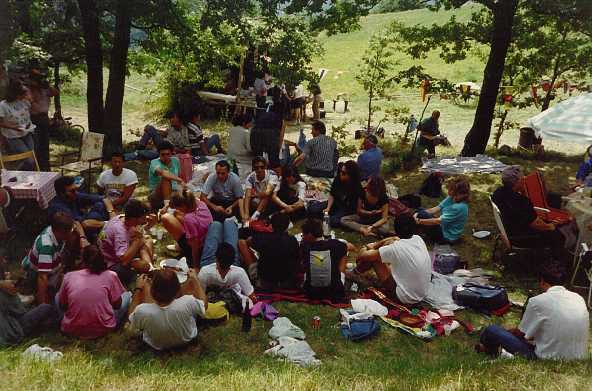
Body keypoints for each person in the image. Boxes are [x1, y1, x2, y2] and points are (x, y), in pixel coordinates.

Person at [477, 262, 589, 360]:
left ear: (542, 281)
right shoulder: (578, 298)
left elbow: (522, 334)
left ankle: (487, 349)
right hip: (578, 356)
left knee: (492, 330)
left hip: (547, 358)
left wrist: (506, 333)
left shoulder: (537, 301)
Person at [352, 214, 431, 304]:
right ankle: (356, 272)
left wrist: (368, 247)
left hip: (405, 297)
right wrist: (381, 243)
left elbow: (363, 256)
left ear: (395, 229)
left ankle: (355, 274)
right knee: (382, 251)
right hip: (421, 294)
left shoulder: (395, 248)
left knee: (374, 258)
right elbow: (394, 239)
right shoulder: (418, 239)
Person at [56, 245, 131, 339]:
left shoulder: (69, 276)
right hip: (104, 329)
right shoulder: (111, 276)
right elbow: (117, 305)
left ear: (82, 259)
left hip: (71, 330)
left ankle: (66, 321)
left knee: (57, 296)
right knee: (127, 295)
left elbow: (62, 305)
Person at [492, 166, 566, 261]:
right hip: (520, 237)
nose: (524, 181)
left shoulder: (498, 193)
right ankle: (555, 262)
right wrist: (551, 226)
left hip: (508, 228)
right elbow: (536, 224)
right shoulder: (521, 201)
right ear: (517, 182)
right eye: (523, 179)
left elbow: (522, 214)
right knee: (558, 235)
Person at [128, 268, 208, 351]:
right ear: (178, 290)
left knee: (145, 286)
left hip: (156, 345)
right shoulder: (188, 301)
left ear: (152, 291)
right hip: (187, 340)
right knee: (190, 283)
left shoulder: (142, 310)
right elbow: (204, 305)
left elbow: (131, 317)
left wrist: (138, 288)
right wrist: (195, 280)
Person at [21, 212, 84, 304]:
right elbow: (42, 277)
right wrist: (42, 305)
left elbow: (77, 224)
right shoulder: (46, 247)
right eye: (68, 232)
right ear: (60, 232)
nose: (70, 233)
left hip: (54, 264)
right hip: (37, 273)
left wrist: (82, 238)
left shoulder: (55, 229)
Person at [98, 199, 155, 285]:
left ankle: (151, 270)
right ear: (134, 218)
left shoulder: (123, 218)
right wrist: (138, 241)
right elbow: (124, 260)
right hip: (112, 262)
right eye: (143, 217)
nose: (145, 220)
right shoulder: (120, 232)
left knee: (148, 240)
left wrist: (149, 226)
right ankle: (148, 270)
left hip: (119, 250)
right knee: (143, 265)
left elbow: (136, 232)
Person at [239, 212, 300, 288]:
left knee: (241, 242)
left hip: (265, 281)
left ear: (271, 225)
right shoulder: (292, 240)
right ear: (287, 226)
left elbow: (247, 241)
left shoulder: (263, 238)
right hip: (287, 281)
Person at [48, 176, 116, 237]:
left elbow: (104, 199)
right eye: (72, 191)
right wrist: (108, 223)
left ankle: (107, 230)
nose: (76, 192)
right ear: (61, 193)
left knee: (100, 205)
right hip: (75, 231)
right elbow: (84, 224)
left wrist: (112, 213)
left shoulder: (74, 195)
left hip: (84, 220)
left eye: (76, 189)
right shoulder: (57, 207)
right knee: (95, 216)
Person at [299, 218, 348, 302]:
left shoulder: (304, 247)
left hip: (311, 292)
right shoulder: (336, 245)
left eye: (303, 234)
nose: (302, 236)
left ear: (310, 235)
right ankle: (340, 276)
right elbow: (345, 247)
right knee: (343, 254)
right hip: (334, 291)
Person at [161, 189, 213, 268]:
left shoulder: (189, 219)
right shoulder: (200, 203)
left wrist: (195, 265)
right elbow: (176, 204)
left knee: (166, 218)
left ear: (183, 206)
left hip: (199, 248)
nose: (177, 209)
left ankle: (185, 251)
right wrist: (166, 206)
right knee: (176, 213)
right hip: (206, 239)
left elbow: (195, 244)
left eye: (178, 207)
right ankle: (181, 246)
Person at [415, 176, 470, 244]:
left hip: (447, 237)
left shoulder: (459, 207)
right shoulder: (451, 198)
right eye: (450, 189)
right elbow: (435, 209)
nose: (449, 192)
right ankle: (417, 231)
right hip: (442, 226)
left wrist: (419, 221)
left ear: (461, 194)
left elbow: (437, 221)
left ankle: (416, 233)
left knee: (422, 215)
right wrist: (417, 214)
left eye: (452, 190)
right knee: (420, 210)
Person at [308, 160, 364, 227]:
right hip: (334, 203)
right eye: (340, 171)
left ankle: (327, 217)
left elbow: (356, 208)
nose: (340, 173)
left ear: (350, 175)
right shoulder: (338, 179)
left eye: (343, 173)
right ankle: (326, 215)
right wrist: (328, 207)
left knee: (334, 221)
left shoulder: (357, 187)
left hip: (346, 209)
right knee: (312, 209)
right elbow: (332, 194)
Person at [0, 78, 36, 170]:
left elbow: (31, 112)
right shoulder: (3, 105)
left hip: (27, 133)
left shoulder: (24, 101)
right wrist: (13, 127)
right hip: (13, 136)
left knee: (32, 158)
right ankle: (16, 173)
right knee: (29, 160)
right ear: (15, 93)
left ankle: (26, 178)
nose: (24, 95)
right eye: (22, 93)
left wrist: (30, 99)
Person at [28, 68, 58, 171]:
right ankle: (36, 167)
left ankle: (45, 166)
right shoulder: (29, 89)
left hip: (44, 118)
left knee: (45, 144)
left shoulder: (45, 88)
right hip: (33, 118)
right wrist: (33, 86)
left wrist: (46, 84)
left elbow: (55, 93)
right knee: (36, 144)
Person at [148, 141, 186, 211]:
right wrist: (179, 179)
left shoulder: (176, 161)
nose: (165, 157)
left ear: (171, 153)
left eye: (168, 154)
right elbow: (163, 173)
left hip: (174, 192)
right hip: (157, 194)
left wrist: (182, 186)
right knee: (166, 179)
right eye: (163, 154)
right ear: (159, 154)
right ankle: (167, 206)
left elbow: (181, 177)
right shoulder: (154, 162)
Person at [243, 157, 279, 221]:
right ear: (253, 168)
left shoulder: (272, 175)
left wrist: (255, 195)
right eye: (256, 168)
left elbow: (267, 192)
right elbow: (248, 195)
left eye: (262, 167)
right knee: (244, 199)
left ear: (265, 167)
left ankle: (256, 215)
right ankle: (249, 217)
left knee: (268, 195)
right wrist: (246, 213)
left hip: (270, 200)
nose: (259, 170)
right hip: (258, 200)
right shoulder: (250, 177)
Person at [227, 113, 254, 180]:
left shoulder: (232, 129)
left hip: (231, 156)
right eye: (251, 123)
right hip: (242, 159)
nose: (252, 125)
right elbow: (249, 149)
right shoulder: (246, 132)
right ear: (244, 123)